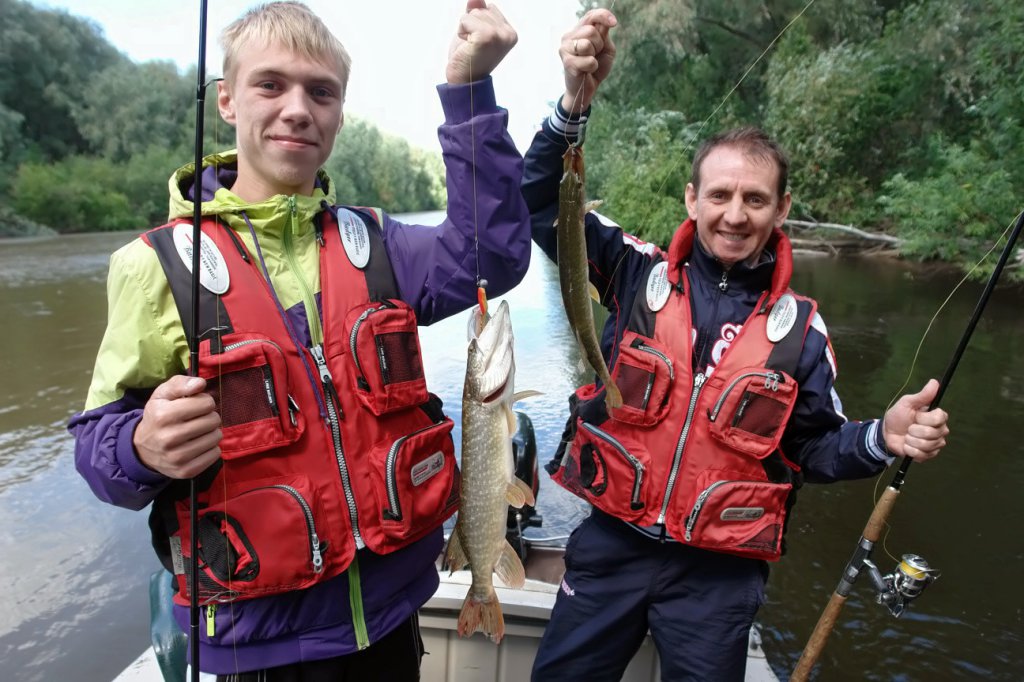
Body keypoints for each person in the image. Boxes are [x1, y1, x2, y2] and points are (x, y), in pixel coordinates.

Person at [68, 1, 529, 679]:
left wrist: (467, 89)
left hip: (391, 618)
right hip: (260, 647)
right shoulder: (153, 267)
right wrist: (141, 446)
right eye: (270, 85)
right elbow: (97, 448)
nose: (297, 108)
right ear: (226, 100)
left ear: (340, 112)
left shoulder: (379, 245)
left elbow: (492, 257)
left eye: (321, 91)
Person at [523, 9, 951, 682]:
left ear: (781, 210)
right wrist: (573, 105)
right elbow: (540, 204)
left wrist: (883, 439)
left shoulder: (800, 331)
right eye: (720, 194)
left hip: (718, 578)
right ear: (692, 199)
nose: (735, 214)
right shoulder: (635, 271)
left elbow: (812, 448)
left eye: (756, 199)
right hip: (611, 547)